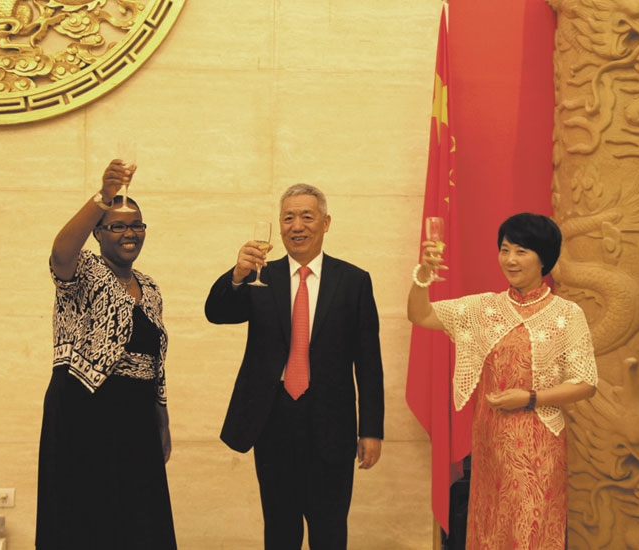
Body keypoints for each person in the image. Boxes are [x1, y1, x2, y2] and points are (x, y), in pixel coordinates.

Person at [204, 184, 385, 550]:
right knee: (280, 530)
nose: (296, 225)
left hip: (331, 422)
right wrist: (237, 274)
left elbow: (369, 362)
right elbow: (217, 312)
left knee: (330, 530)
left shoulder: (353, 281)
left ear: (326, 222)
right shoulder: (260, 276)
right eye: (288, 217)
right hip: (273, 419)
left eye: (307, 216)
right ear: (279, 226)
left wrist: (371, 429)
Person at [407, 212, 598, 548]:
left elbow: (585, 382)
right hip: (490, 444)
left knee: (532, 532)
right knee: (491, 530)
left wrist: (529, 397)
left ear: (544, 259)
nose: (510, 260)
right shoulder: (484, 309)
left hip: (541, 445)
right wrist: (422, 278)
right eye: (505, 249)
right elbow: (420, 314)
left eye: (521, 251)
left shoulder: (567, 315)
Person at [36, 160, 177, 550]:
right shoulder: (81, 270)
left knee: (138, 518)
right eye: (118, 225)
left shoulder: (149, 287)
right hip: (84, 409)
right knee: (85, 516)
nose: (130, 233)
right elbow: (61, 249)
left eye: (137, 225)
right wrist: (102, 197)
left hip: (135, 414)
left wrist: (161, 418)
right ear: (98, 233)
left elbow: (154, 362)